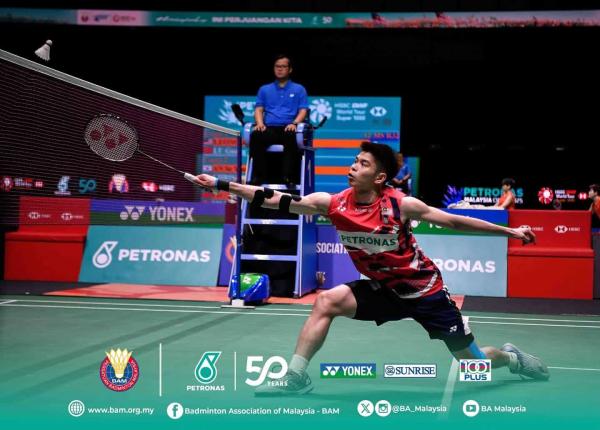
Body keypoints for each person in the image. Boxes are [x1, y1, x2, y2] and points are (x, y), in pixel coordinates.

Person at [193, 142, 549, 396]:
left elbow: (454, 221)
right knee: (327, 301)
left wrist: (511, 231)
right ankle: (296, 376)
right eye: (355, 161)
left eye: (363, 164)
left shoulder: (402, 205)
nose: (354, 166)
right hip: (383, 289)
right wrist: (222, 184)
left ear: (379, 177)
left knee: (473, 366)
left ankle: (511, 359)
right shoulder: (332, 204)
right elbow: (276, 199)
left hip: (424, 292)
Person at [250, 55, 308, 187]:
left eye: (283, 66)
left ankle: (288, 177)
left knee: (291, 136)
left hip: (288, 127)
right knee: (256, 135)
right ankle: (258, 176)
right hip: (269, 128)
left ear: (290, 69)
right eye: (277, 66)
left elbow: (303, 110)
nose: (280, 69)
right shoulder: (264, 89)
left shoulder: (299, 89)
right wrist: (260, 123)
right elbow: (259, 109)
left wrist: (294, 123)